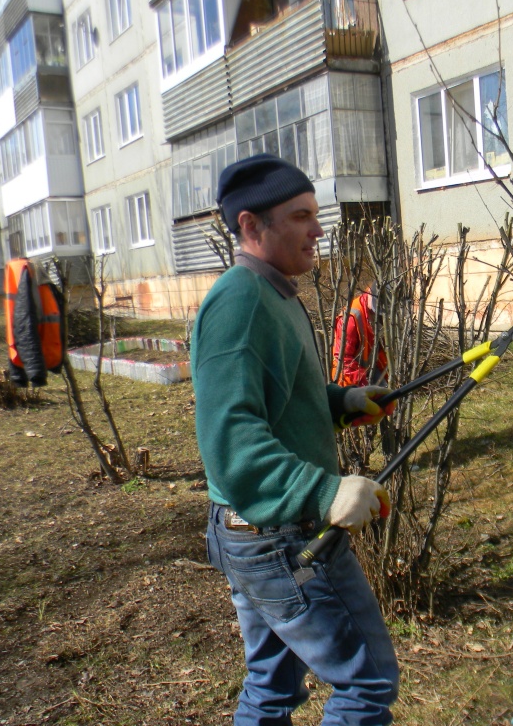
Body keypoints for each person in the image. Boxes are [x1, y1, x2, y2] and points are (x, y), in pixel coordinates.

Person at [190, 153, 399, 725]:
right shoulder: (239, 303)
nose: (318, 229)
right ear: (251, 226)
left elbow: (278, 396)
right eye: (301, 215)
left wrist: (342, 402)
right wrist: (323, 492)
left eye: (315, 213)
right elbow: (232, 446)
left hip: (258, 531)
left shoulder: (275, 294)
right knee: (368, 682)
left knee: (271, 686)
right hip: (278, 535)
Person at [331, 283, 388, 388]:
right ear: (369, 294)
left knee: (386, 395)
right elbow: (344, 361)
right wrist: (363, 385)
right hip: (349, 378)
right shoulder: (350, 318)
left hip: (368, 371)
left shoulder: (376, 315)